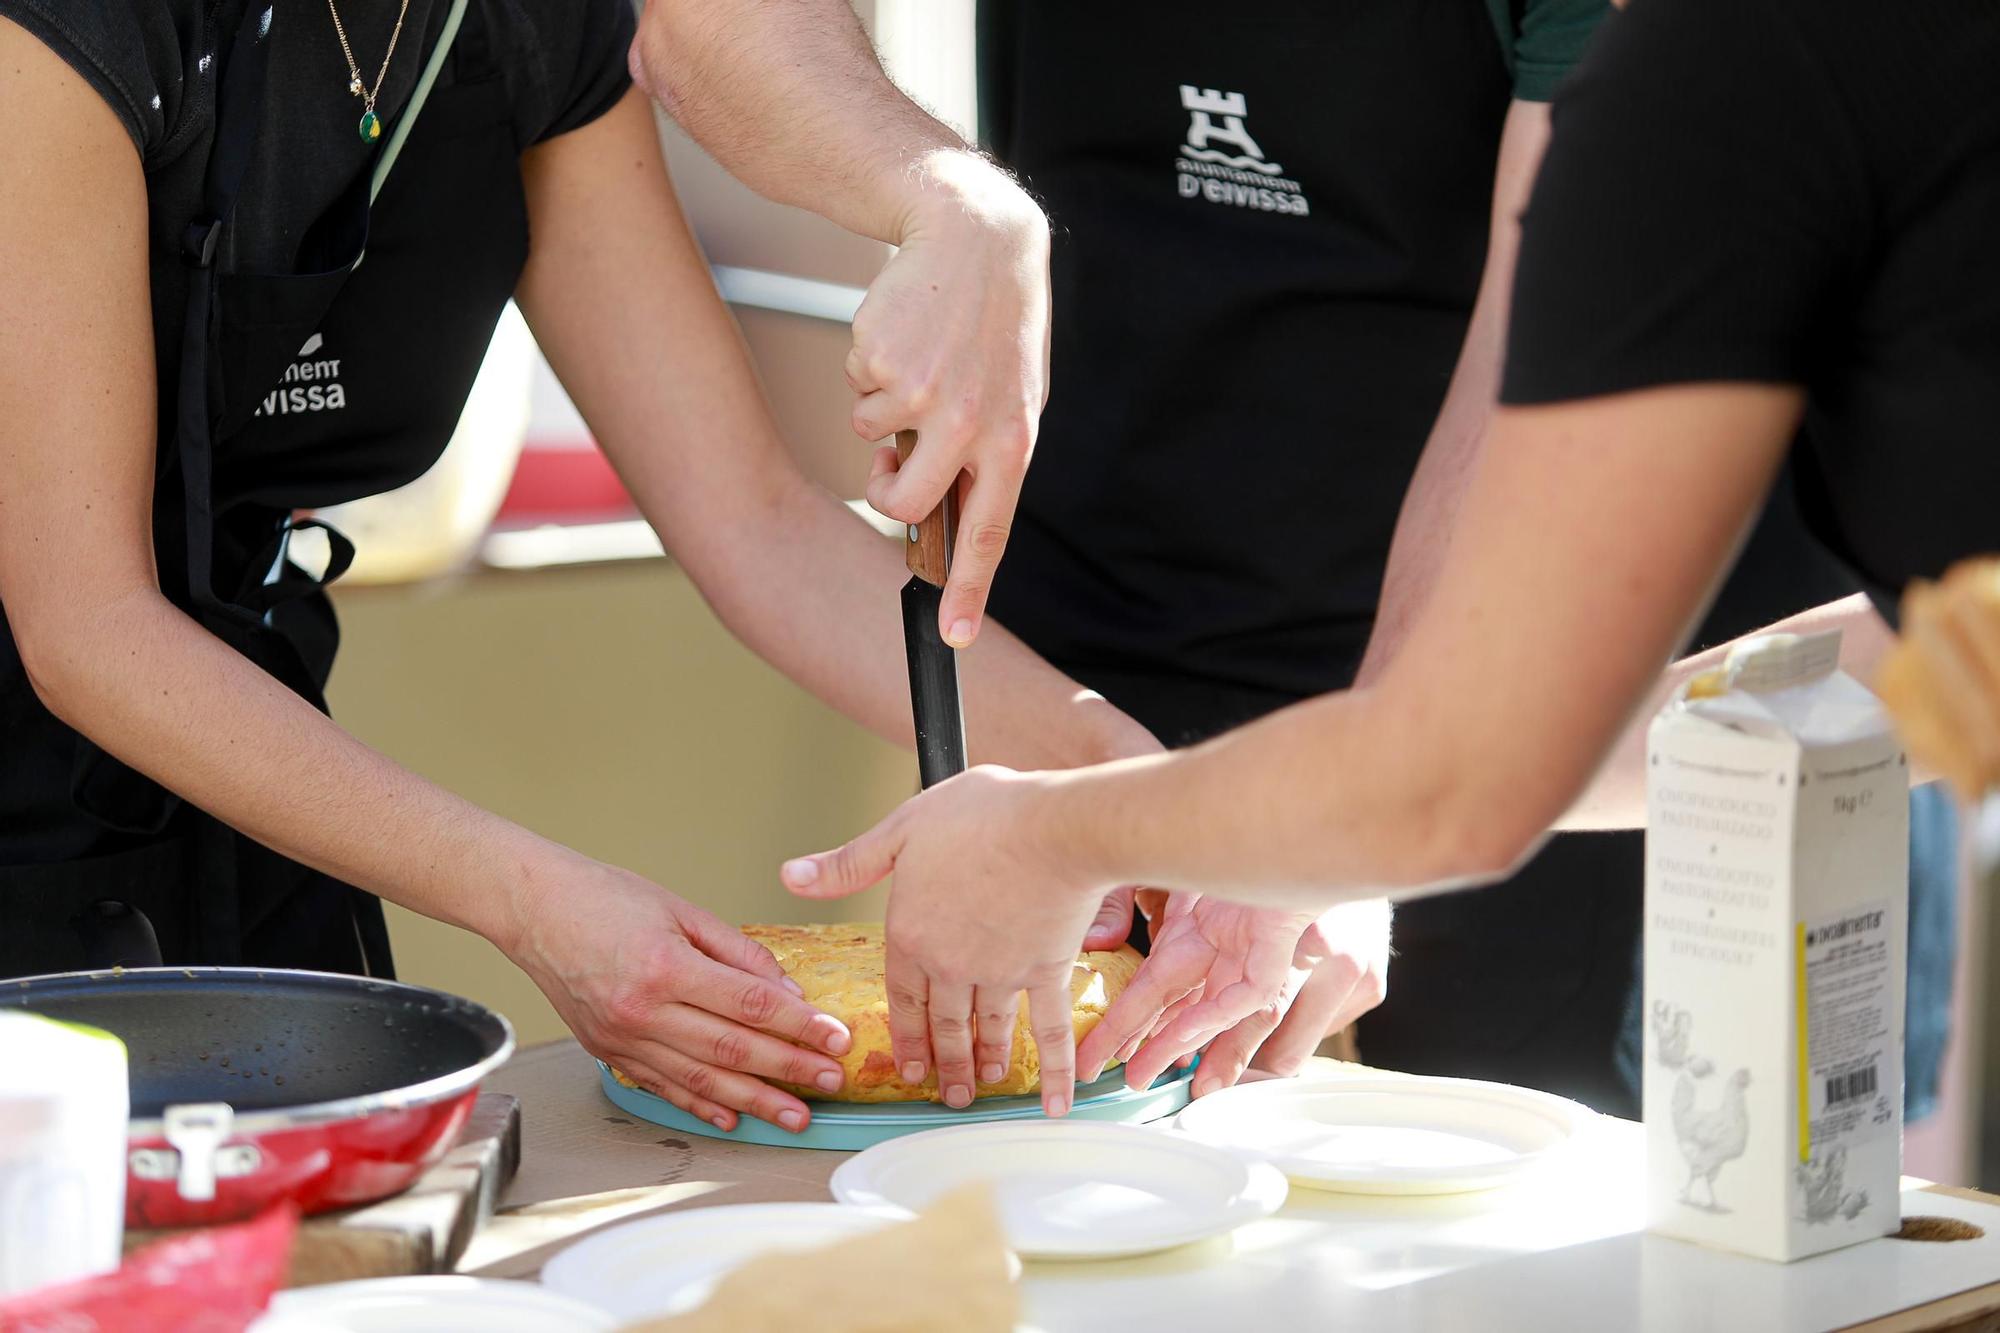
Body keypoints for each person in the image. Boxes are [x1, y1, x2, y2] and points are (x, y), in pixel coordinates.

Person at [782, 0, 1995, 1119]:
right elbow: (1887, 661)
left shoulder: (1740, 75)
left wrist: (1065, 837)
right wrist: (1315, 817)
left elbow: (1471, 770)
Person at [0, 0, 1156, 1135]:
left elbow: (757, 524)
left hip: (247, 767)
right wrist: (532, 899)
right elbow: (86, 623)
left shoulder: (533, 31)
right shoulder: (70, 29)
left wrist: (1136, 794)